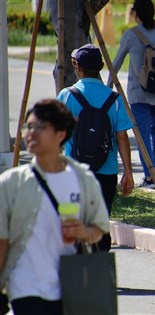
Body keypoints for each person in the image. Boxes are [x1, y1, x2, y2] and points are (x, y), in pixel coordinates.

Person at [0, 99, 110, 315]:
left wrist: (83, 232)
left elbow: (99, 229)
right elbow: (1, 242)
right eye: (28, 126)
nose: (31, 133)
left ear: (61, 134)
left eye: (39, 127)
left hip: (71, 287)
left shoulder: (82, 179)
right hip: (25, 287)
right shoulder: (11, 183)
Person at [57, 44, 134, 252]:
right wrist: (128, 172)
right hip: (105, 173)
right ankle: (98, 274)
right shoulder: (114, 99)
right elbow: (122, 137)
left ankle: (74, 273)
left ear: (76, 66)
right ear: (101, 66)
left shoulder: (66, 95)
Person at [108, 0, 155, 188]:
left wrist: (108, 87)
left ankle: (149, 177)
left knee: (142, 133)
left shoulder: (131, 35)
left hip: (139, 94)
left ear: (136, 14)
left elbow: (116, 63)